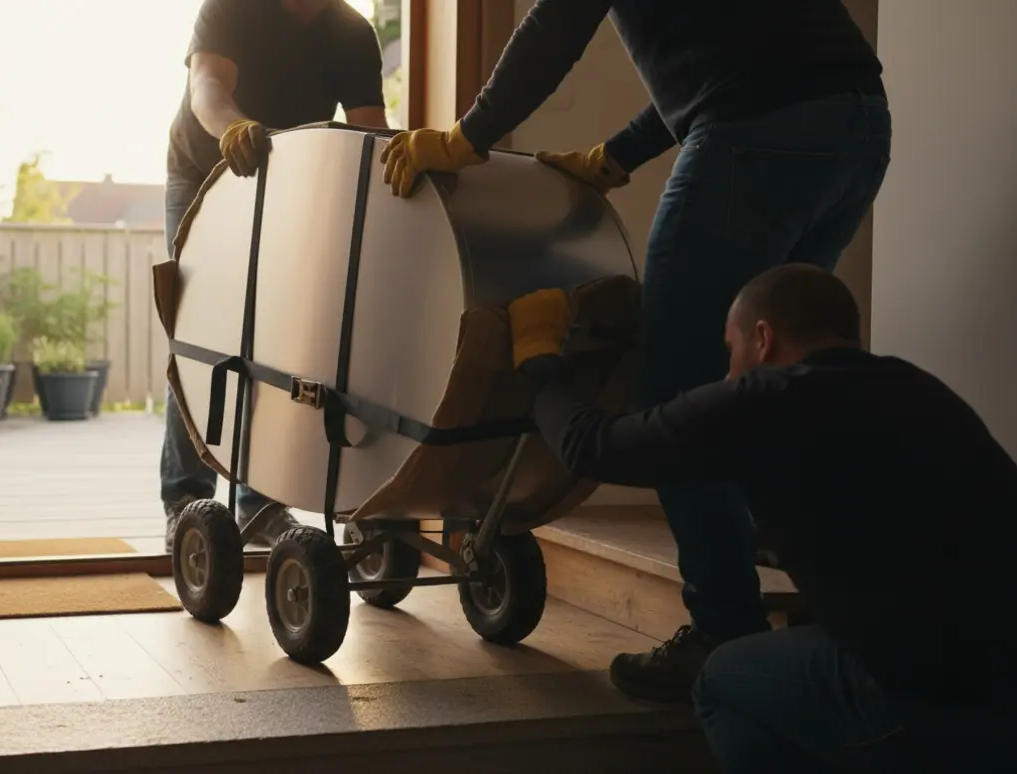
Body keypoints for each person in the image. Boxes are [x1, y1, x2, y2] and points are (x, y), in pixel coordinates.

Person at [378, 0, 893, 700]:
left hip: (757, 131)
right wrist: (616, 156)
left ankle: (725, 629)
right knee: (782, 369)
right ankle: (808, 565)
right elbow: (732, 53)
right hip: (856, 123)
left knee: (678, 386)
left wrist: (470, 137)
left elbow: (556, 24)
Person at [506, 264, 1017, 773]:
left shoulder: (764, 400)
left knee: (723, 678)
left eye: (732, 352)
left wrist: (540, 368)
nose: (729, 372)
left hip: (932, 704)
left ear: (763, 339)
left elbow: (594, 447)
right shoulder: (918, 388)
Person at [161, 0, 389, 551]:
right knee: (201, 336)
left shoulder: (352, 31)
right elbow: (207, 89)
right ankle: (185, 500)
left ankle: (260, 505)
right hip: (206, 170)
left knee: (276, 341)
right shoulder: (233, 7)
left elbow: (370, 131)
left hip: (291, 181)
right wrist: (235, 127)